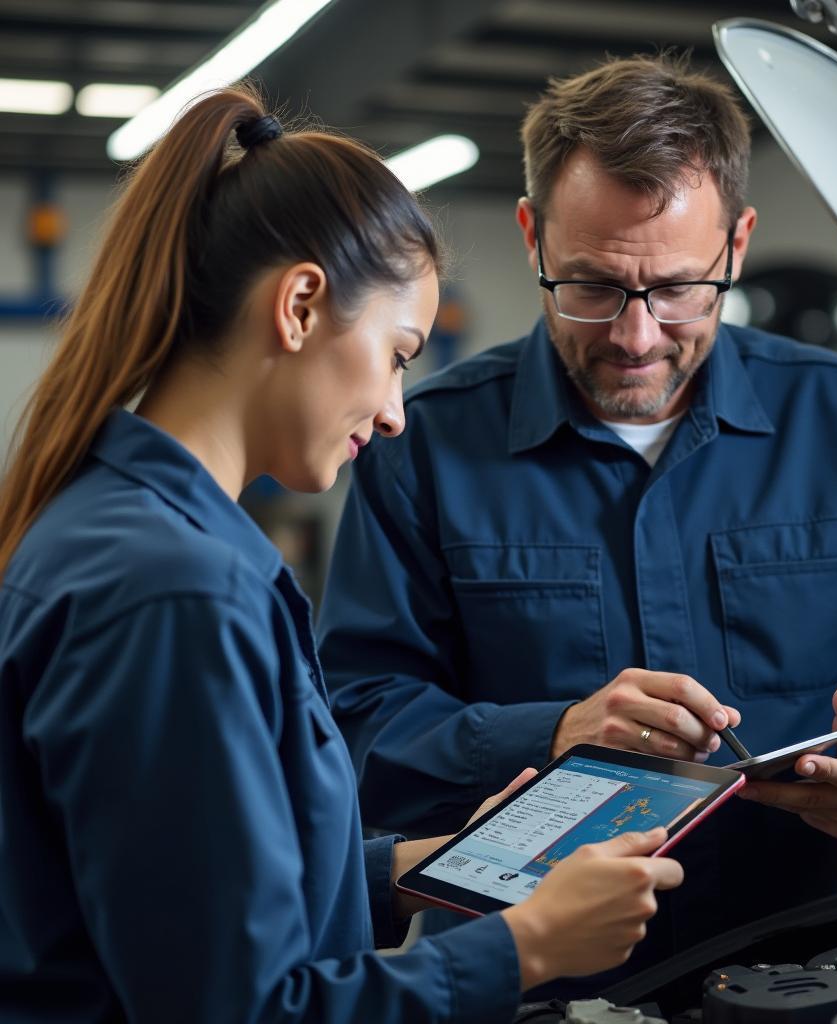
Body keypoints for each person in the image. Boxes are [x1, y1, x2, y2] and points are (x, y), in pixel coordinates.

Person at [317, 53, 837, 987]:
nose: (636, 335)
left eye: (679, 289)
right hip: (532, 984)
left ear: (737, 244)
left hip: (811, 969)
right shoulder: (423, 444)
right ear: (532, 235)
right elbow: (357, 722)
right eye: (593, 286)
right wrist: (555, 732)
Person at [0, 86, 686, 1023]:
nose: (399, 410)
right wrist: (523, 947)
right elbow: (240, 1007)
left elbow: (202, 893)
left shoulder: (138, 537)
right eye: (400, 353)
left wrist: (426, 867)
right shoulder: (174, 589)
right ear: (300, 305)